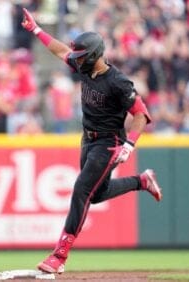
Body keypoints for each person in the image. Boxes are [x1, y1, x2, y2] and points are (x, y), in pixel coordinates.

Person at [21, 8, 163, 274]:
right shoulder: (83, 64)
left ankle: (59, 256)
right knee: (95, 194)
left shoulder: (118, 82)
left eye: (81, 56)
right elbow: (60, 50)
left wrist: (129, 145)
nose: (75, 60)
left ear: (96, 56)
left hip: (109, 143)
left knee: (81, 190)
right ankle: (141, 181)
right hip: (87, 139)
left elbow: (141, 114)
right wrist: (36, 30)